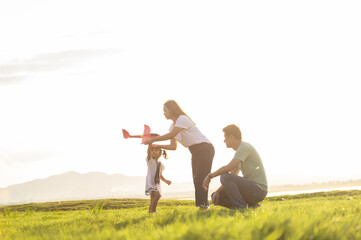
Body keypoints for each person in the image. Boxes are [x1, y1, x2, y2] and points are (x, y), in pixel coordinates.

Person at [144, 100, 214, 209]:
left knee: (201, 177)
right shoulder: (172, 127)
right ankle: (201, 205)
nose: (164, 113)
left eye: (165, 110)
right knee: (196, 178)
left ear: (172, 110)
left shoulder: (182, 119)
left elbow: (171, 135)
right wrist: (157, 145)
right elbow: (173, 146)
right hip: (194, 150)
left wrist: (153, 139)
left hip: (205, 148)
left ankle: (204, 206)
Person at [202, 124, 267, 209]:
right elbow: (232, 176)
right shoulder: (239, 154)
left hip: (258, 190)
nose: (224, 141)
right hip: (250, 190)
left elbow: (228, 168)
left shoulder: (245, 147)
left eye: (225, 137)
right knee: (215, 195)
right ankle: (253, 205)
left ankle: (241, 207)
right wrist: (218, 191)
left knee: (224, 176)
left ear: (231, 137)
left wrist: (210, 176)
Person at [145, 145, 171, 214]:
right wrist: (150, 143)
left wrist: (165, 181)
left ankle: (151, 211)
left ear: (160, 153)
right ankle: (152, 211)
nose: (153, 152)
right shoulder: (150, 160)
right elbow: (148, 151)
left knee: (153, 198)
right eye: (152, 150)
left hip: (156, 183)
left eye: (156, 150)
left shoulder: (160, 164)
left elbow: (159, 175)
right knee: (157, 195)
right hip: (150, 182)